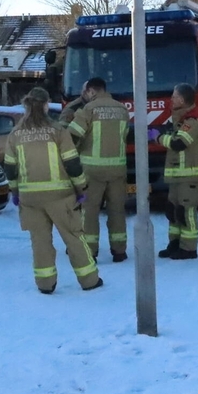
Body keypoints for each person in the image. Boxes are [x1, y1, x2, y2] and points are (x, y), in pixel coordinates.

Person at [4, 87, 102, 294]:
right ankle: (89, 280)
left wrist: (15, 192)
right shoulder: (57, 131)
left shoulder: (16, 134)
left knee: (40, 241)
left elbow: (10, 168)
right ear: (46, 105)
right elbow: (72, 163)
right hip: (60, 196)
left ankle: (45, 283)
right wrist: (81, 187)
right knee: (74, 237)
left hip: (30, 198)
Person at [67, 77, 131, 263]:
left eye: (86, 92)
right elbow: (125, 136)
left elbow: (72, 135)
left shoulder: (88, 109)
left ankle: (90, 251)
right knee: (117, 210)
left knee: (90, 211)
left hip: (92, 170)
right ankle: (119, 251)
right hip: (118, 169)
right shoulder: (122, 109)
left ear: (92, 91)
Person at [151, 83, 198, 260]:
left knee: (186, 211)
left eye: (174, 96)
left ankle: (189, 248)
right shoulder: (179, 118)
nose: (171, 99)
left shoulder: (193, 120)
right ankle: (175, 243)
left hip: (189, 175)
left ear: (182, 100)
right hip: (177, 174)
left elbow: (179, 143)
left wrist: (158, 138)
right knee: (173, 210)